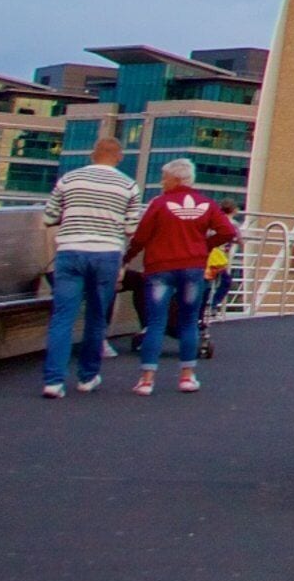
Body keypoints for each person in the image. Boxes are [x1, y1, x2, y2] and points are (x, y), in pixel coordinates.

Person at [39, 133, 143, 397]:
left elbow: (49, 216)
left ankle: (53, 381)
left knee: (63, 316)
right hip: (106, 253)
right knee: (97, 317)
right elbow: (131, 227)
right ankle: (88, 377)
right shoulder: (128, 185)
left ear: (92, 154)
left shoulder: (69, 179)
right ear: (119, 157)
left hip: (71, 251)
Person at [123, 161, 238, 394]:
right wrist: (204, 245)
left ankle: (147, 379)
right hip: (193, 268)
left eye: (164, 178)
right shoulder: (207, 204)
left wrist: (126, 258)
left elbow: (141, 236)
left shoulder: (159, 204)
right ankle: (187, 376)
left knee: (155, 322)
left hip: (159, 268)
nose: (162, 182)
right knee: (188, 322)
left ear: (175, 180)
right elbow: (228, 231)